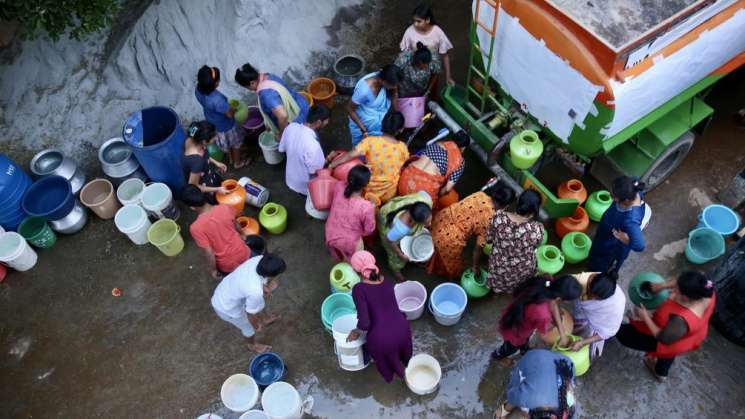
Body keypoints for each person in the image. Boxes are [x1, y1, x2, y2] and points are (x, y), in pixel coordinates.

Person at [617, 271, 716, 382]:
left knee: (624, 335)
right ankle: (660, 373)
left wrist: (645, 316)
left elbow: (662, 338)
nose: (673, 291)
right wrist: (661, 286)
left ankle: (610, 330)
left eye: (677, 290)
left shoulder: (681, 320)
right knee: (669, 354)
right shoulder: (703, 287)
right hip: (692, 335)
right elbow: (682, 281)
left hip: (668, 338)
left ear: (687, 298)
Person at [345, 250, 413, 383]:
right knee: (406, 361)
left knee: (386, 356)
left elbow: (365, 323)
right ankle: (411, 375)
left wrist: (356, 331)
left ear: (357, 271)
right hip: (403, 329)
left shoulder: (359, 289)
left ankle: (403, 379)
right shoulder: (386, 281)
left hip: (382, 339)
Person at [427, 179, 515, 279]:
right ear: (506, 206)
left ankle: (434, 261)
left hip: (441, 218)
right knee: (453, 264)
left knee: (436, 245)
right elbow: (478, 249)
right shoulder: (491, 220)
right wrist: (475, 266)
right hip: (450, 237)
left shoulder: (480, 194)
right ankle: (450, 276)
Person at [494, 275, 582, 366]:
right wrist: (556, 332)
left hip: (516, 314)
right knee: (510, 347)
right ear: (559, 299)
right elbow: (544, 335)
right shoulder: (543, 315)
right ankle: (498, 356)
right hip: (515, 330)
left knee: (524, 341)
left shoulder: (547, 282)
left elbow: (553, 304)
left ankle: (524, 349)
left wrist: (562, 334)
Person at [329, 111, 410, 207]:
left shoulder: (370, 141)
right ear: (401, 129)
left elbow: (349, 155)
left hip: (367, 189)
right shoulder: (403, 148)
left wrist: (332, 165)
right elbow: (403, 165)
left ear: (382, 124)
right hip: (388, 193)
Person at [211, 253, 286, 353]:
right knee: (248, 328)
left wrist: (265, 287)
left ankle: (265, 319)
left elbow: (256, 280)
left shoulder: (259, 259)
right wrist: (256, 326)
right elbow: (250, 313)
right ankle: (252, 345)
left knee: (258, 302)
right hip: (226, 307)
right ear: (270, 275)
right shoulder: (255, 292)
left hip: (225, 289)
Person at [181, 185, 250, 278]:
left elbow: (209, 252)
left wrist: (213, 270)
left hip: (227, 265)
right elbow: (236, 223)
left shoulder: (195, 228)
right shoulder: (225, 207)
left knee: (236, 279)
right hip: (243, 252)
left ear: (192, 207)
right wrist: (242, 234)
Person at [485, 189, 545, 293]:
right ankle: (513, 292)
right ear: (535, 210)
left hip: (499, 263)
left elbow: (489, 239)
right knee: (519, 283)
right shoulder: (537, 229)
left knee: (498, 278)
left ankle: (496, 291)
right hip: (522, 266)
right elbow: (536, 245)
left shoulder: (499, 217)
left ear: (518, 202)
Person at [588, 176, 646, 275]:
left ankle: (596, 272)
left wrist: (625, 239)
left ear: (627, 200)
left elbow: (639, 245)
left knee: (600, 259)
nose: (611, 196)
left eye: (614, 196)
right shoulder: (631, 188)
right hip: (608, 227)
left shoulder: (630, 220)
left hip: (612, 241)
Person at [234, 63, 309, 137]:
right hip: (300, 103)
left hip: (297, 118)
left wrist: (282, 134)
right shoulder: (267, 76)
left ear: (252, 83)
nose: (249, 90)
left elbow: (283, 116)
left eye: (247, 87)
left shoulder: (267, 95)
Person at [195, 65, 247, 169]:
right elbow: (229, 114)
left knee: (226, 143)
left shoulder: (198, 89)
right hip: (227, 126)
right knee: (235, 143)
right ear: (216, 84)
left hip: (213, 122)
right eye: (218, 80)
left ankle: (230, 157)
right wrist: (234, 109)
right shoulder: (217, 100)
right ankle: (237, 162)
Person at [398, 130, 468, 206]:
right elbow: (447, 188)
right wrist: (437, 196)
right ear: (463, 148)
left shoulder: (438, 143)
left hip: (404, 179)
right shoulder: (460, 161)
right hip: (421, 194)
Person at [566, 271, 626, 360]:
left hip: (594, 323)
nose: (590, 298)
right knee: (576, 322)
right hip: (583, 312)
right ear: (590, 280)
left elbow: (606, 332)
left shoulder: (614, 309)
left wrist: (582, 343)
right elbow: (555, 287)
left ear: (604, 299)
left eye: (595, 299)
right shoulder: (583, 280)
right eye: (589, 294)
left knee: (583, 336)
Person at [376, 191, 433, 281]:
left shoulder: (425, 200)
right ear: (414, 221)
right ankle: (397, 273)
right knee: (396, 259)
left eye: (430, 219)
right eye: (426, 223)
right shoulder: (401, 228)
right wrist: (401, 254)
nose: (429, 224)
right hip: (387, 224)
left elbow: (422, 193)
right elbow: (389, 240)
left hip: (391, 208)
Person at [325, 165, 376, 262]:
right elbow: (369, 230)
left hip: (330, 232)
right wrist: (372, 207)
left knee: (340, 252)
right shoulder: (366, 206)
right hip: (348, 241)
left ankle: (342, 259)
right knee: (355, 260)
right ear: (366, 185)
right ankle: (351, 267)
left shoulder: (339, 185)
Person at [278, 105, 331, 195]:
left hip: (290, 178)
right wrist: (329, 158)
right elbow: (316, 171)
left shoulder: (291, 127)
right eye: (326, 122)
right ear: (318, 122)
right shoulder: (314, 146)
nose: (327, 124)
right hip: (304, 186)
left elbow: (282, 149)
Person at [346, 64, 402, 146]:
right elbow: (349, 108)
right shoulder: (364, 90)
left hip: (377, 117)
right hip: (363, 121)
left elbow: (394, 93)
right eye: (393, 85)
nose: (395, 87)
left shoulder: (388, 78)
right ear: (384, 81)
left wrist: (397, 114)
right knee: (361, 146)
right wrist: (364, 130)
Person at [400, 4, 455, 86]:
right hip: (415, 71)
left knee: (431, 90)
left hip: (433, 70)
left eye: (418, 21)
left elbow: (445, 55)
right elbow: (404, 55)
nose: (415, 24)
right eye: (414, 21)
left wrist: (448, 77)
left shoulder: (438, 32)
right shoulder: (409, 32)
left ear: (428, 20)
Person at [183, 121, 228, 201]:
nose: (215, 137)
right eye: (213, 137)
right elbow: (194, 187)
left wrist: (216, 163)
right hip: (204, 185)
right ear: (204, 141)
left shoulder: (192, 136)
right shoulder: (197, 162)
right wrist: (217, 189)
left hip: (208, 174)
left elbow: (204, 154)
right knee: (216, 199)